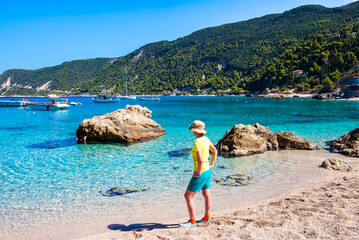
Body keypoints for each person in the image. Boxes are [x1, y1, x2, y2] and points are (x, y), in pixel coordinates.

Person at [179, 120, 217, 228]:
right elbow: (214, 151)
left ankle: (192, 222)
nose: (192, 131)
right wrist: (211, 165)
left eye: (192, 130)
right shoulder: (206, 139)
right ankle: (206, 219)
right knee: (207, 195)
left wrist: (198, 172)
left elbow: (200, 160)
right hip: (208, 171)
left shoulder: (197, 142)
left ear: (195, 131)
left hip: (201, 172)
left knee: (187, 196)